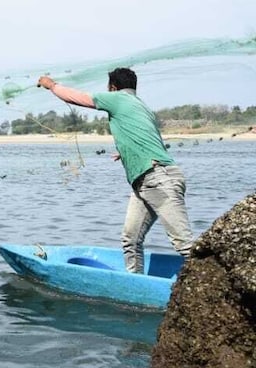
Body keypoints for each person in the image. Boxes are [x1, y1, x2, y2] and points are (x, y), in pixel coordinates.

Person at [37, 67, 193, 273]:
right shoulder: (141, 106)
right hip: (145, 180)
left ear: (113, 87)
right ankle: (134, 284)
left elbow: (79, 98)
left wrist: (52, 86)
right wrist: (125, 152)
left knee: (185, 244)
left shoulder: (118, 98)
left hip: (158, 178)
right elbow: (149, 139)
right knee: (131, 239)